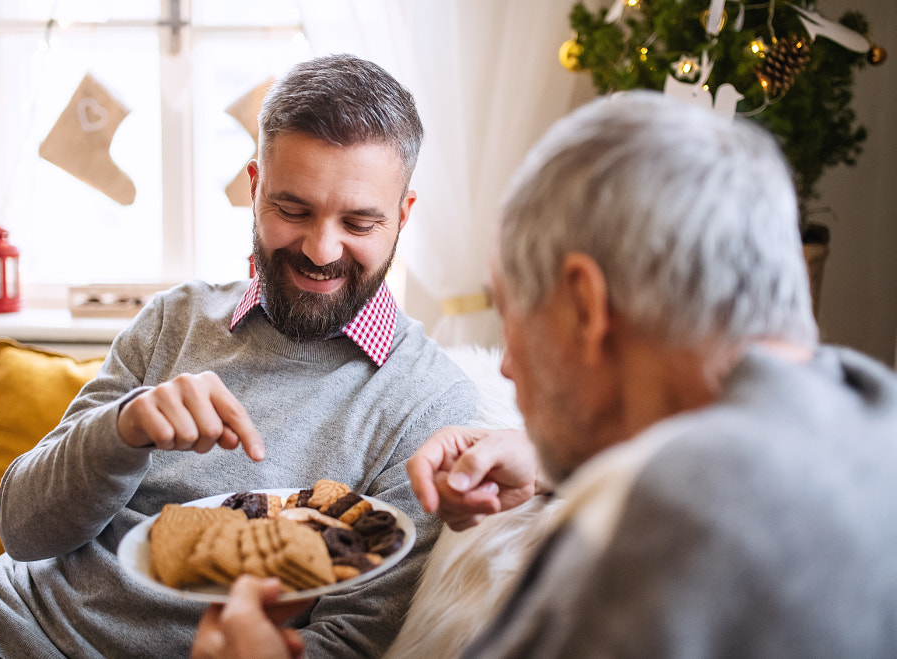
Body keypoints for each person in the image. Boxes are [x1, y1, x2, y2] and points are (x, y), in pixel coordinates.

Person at [194, 90, 897, 658]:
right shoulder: (868, 409)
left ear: (586, 305)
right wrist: (555, 463)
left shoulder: (676, 525)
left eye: (511, 314)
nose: (503, 364)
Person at [0, 54, 476, 658]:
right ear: (255, 186)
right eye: (293, 210)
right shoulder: (175, 318)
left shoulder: (430, 406)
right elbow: (23, 530)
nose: (321, 249)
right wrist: (122, 431)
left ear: (402, 215)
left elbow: (349, 641)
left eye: (359, 223)